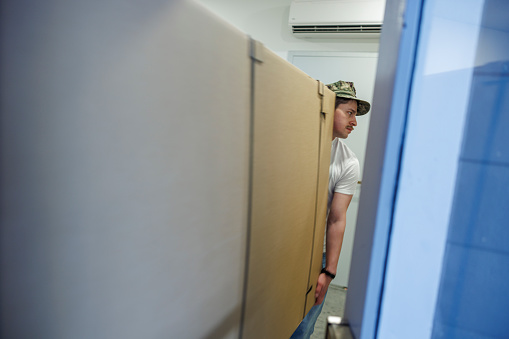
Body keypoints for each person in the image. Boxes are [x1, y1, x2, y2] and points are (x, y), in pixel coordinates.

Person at [290, 80, 371, 338]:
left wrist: (329, 272)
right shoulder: (293, 144)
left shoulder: (347, 161)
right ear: (327, 107)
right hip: (284, 249)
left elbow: (337, 218)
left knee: (302, 329)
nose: (354, 122)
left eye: (355, 116)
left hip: (317, 258)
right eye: (349, 113)